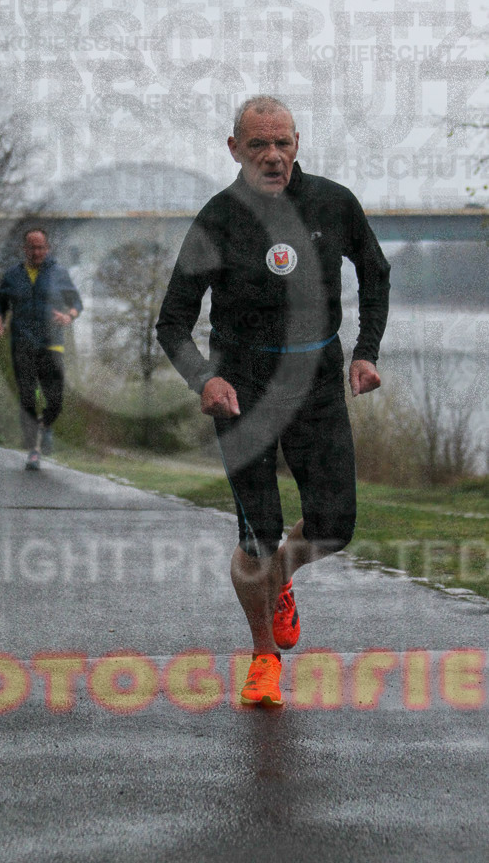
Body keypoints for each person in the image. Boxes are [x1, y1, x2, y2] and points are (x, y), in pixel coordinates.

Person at [156, 96, 390, 708]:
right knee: (257, 535)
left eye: (283, 142)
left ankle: (280, 580)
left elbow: (375, 270)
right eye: (258, 144)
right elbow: (173, 322)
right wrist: (204, 380)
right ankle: (264, 658)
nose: (272, 155)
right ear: (234, 149)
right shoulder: (217, 219)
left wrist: (366, 351)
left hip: (317, 380)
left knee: (334, 527)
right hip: (243, 390)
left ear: (297, 144)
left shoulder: (333, 204)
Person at [0, 228, 83, 471]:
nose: (37, 252)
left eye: (41, 247)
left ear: (47, 248)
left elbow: (76, 302)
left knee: (55, 400)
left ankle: (44, 426)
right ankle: (34, 449)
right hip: (23, 342)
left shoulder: (59, 273)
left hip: (52, 343)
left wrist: (69, 316)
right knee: (27, 396)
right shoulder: (13, 275)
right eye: (32, 247)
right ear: (25, 249)